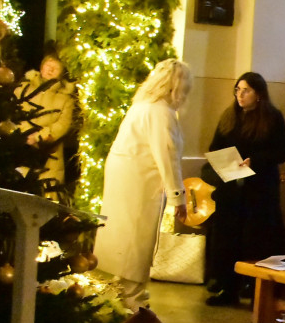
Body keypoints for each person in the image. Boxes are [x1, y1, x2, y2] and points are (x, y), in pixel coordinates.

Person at [94, 59, 192, 308]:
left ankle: (118, 296)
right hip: (140, 184)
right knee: (136, 241)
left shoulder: (142, 106)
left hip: (126, 179)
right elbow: (167, 156)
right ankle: (133, 300)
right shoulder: (160, 112)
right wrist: (178, 197)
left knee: (121, 238)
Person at [205, 72, 285, 306]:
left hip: (259, 190)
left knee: (256, 240)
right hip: (232, 189)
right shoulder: (229, 116)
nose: (240, 95)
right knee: (227, 239)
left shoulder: (272, 118)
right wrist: (224, 161)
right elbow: (215, 147)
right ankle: (227, 287)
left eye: (246, 90)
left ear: (259, 94)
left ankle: (255, 289)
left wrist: (256, 161)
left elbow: (281, 152)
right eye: (237, 90)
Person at [14, 53, 80, 195]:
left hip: (50, 152)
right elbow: (15, 111)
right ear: (41, 67)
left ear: (61, 73)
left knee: (48, 191)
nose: (50, 70)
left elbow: (63, 124)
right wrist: (26, 133)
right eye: (48, 66)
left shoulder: (66, 99)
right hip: (21, 147)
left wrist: (40, 136)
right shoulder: (23, 88)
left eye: (55, 68)